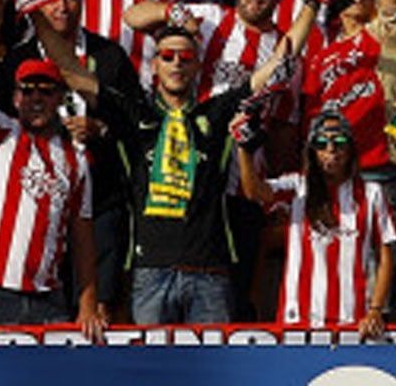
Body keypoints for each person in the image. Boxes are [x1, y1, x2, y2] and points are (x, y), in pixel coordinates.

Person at [41, 19, 278, 326]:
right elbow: (69, 69)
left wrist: (311, 3)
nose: (176, 63)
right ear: (154, 66)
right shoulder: (134, 114)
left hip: (209, 273)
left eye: (186, 58)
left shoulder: (215, 113)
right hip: (151, 271)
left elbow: (273, 68)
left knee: (210, 372)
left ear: (196, 68)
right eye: (167, 56)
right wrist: (35, 14)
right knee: (154, 373)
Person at [0, 57, 104, 333]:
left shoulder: (76, 159)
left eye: (45, 91)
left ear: (60, 98)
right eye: (27, 90)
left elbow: (83, 236)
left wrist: (88, 301)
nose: (36, 98)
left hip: (49, 298)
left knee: (49, 378)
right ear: (15, 97)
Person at [241, 112, 396, 334]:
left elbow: (386, 254)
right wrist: (244, 149)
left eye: (339, 142)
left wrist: (376, 309)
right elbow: (253, 191)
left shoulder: (372, 193)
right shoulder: (296, 187)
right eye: (321, 143)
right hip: (297, 321)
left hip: (352, 320)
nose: (331, 150)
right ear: (312, 151)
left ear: (351, 148)